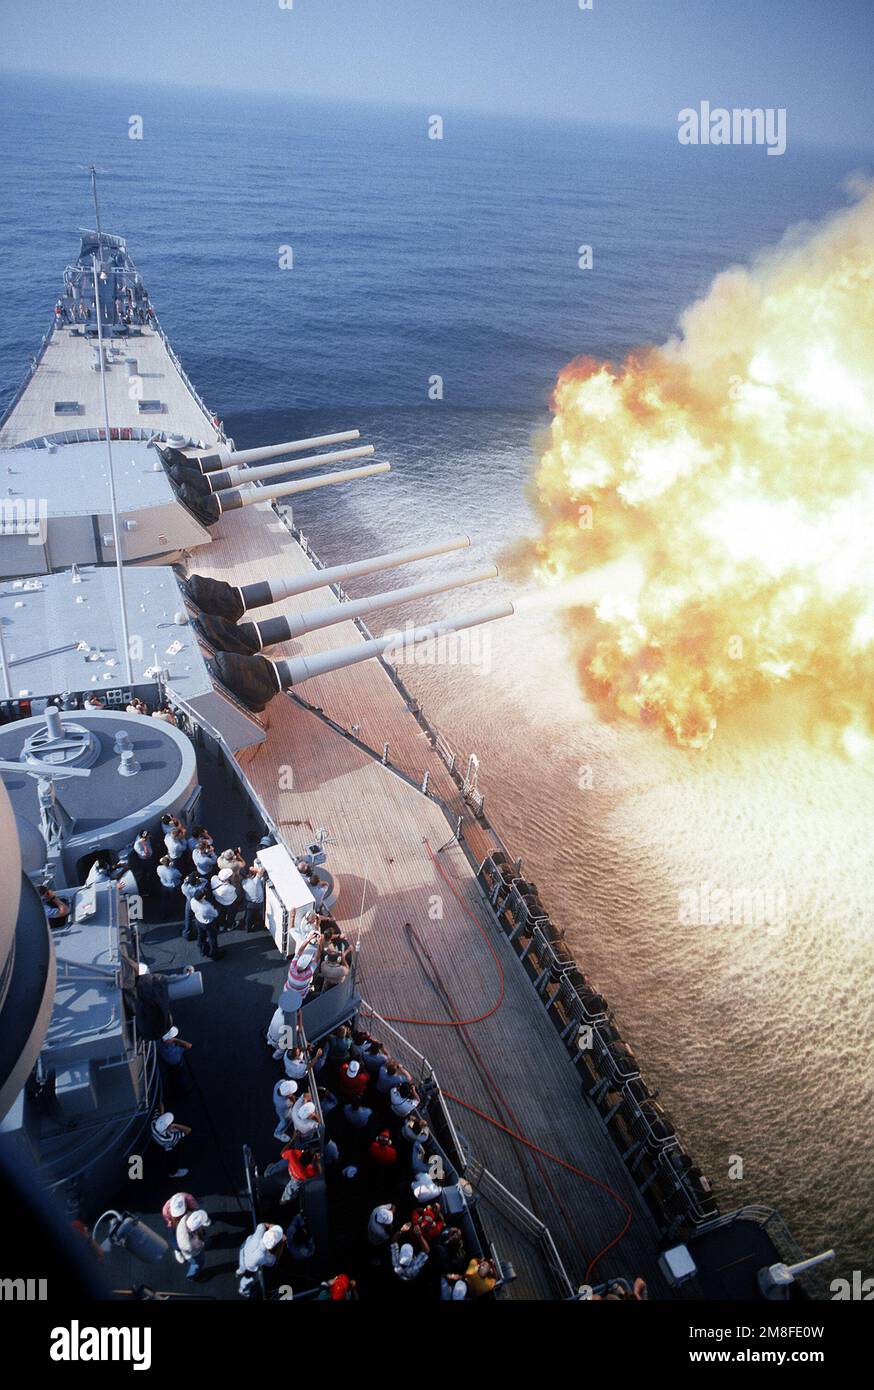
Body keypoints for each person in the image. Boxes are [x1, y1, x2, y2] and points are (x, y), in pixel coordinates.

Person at [236, 1224, 284, 1297]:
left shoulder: (259, 1233)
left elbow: (263, 1225)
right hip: (249, 1267)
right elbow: (274, 1261)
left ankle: (240, 1271)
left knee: (241, 1267)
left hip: (243, 1250)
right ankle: (243, 1290)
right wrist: (282, 1243)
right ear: (271, 1247)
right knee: (248, 1279)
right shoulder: (264, 1256)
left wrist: (271, 1226)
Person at [150, 1108, 192, 1179]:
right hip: (169, 1146)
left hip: (157, 1139)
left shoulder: (153, 1123)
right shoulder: (169, 1137)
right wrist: (175, 1125)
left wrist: (162, 1116)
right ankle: (173, 1173)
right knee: (172, 1159)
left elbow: (160, 1107)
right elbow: (188, 1130)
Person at [175, 1207, 210, 1280]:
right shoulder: (190, 1244)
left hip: (192, 1243)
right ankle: (192, 1276)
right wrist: (201, 1237)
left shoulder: (186, 1218)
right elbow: (200, 1247)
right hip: (193, 1254)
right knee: (197, 1264)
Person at [190, 889, 220, 960]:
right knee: (212, 938)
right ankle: (214, 954)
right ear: (203, 897)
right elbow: (215, 914)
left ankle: (202, 950)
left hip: (198, 920)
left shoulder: (192, 900)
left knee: (201, 936)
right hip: (208, 923)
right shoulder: (206, 907)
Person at [211, 866, 239, 931]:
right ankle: (230, 926)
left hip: (219, 901)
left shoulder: (214, 879)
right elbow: (234, 890)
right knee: (231, 915)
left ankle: (221, 925)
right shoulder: (228, 888)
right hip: (230, 902)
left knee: (221, 914)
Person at [240, 864, 266, 932]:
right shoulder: (256, 881)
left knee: (249, 916)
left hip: (249, 902)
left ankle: (248, 928)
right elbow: (262, 870)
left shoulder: (243, 882)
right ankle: (260, 926)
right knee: (259, 915)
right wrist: (255, 869)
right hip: (258, 903)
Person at [181, 872, 206, 940]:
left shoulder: (184, 887)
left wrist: (186, 880)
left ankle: (187, 933)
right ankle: (201, 932)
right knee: (198, 917)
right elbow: (205, 881)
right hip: (198, 902)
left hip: (189, 902)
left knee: (188, 917)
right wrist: (199, 880)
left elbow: (185, 882)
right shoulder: (200, 886)